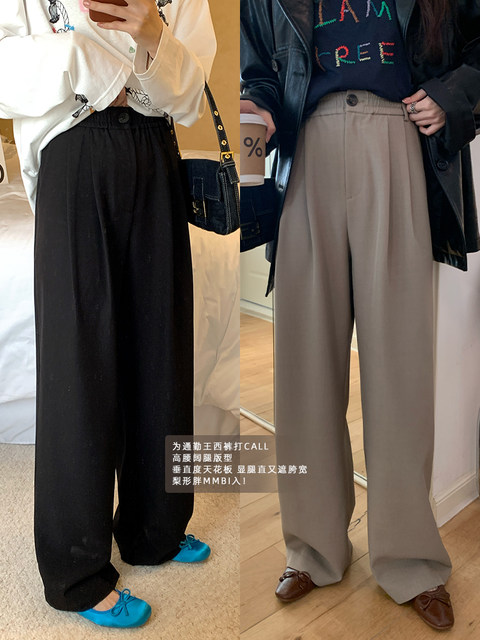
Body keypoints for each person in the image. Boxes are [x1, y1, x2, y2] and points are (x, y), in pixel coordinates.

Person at [241, 0, 480, 631]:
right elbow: (259, 70)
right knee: (304, 367)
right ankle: (312, 548)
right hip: (307, 150)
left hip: (398, 140)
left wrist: (451, 96)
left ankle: (411, 559)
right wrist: (255, 114)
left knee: (401, 366)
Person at [0, 0, 216, 629]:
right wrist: (81, 56)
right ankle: (76, 572)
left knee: (162, 351)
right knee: (77, 364)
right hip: (72, 152)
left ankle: (156, 528)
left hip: (156, 152)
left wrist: (153, 35)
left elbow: (191, 96)